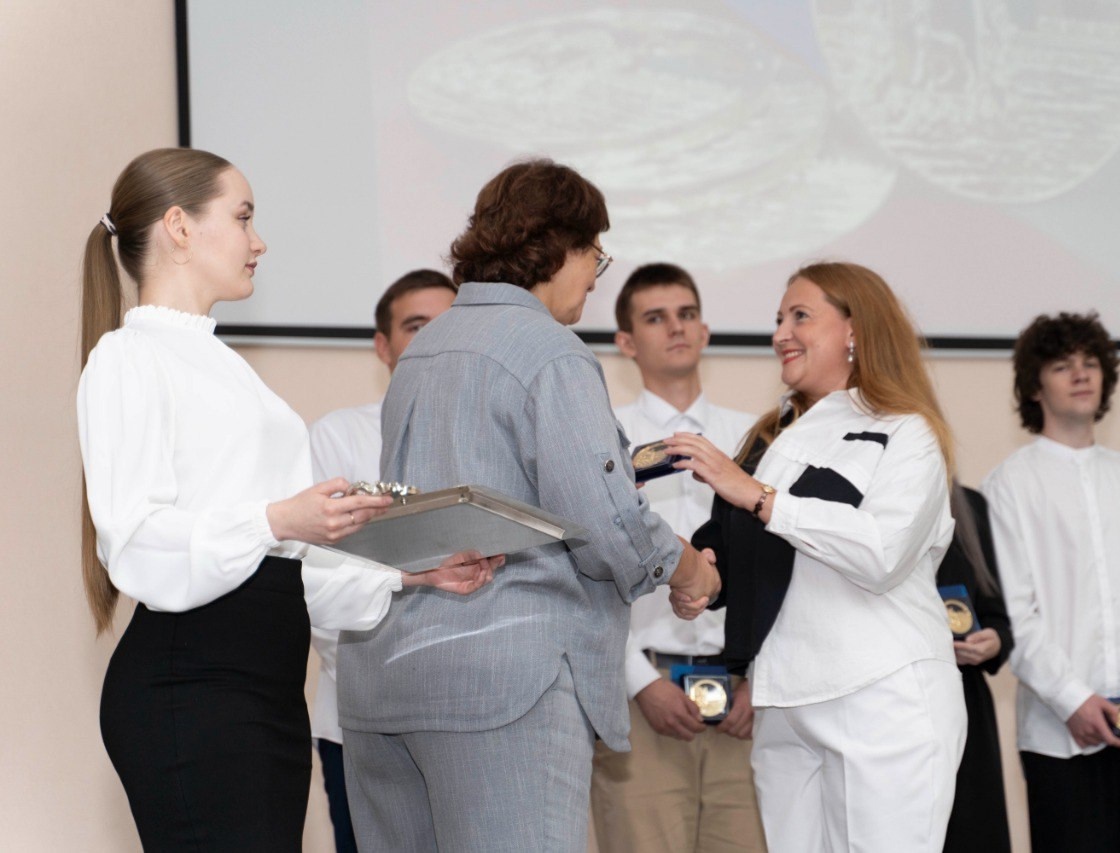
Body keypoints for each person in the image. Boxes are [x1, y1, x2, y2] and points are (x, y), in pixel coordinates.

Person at [76, 148, 497, 852]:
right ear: (179, 227)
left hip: (264, 688)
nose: (259, 241)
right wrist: (279, 517)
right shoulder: (128, 357)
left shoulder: (228, 369)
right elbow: (137, 543)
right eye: (243, 217)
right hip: (193, 687)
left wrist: (411, 575)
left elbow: (287, 566)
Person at [338, 159, 722, 852]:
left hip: (390, 678)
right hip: (505, 684)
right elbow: (604, 521)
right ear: (558, 246)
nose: (595, 276)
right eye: (594, 253)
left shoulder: (425, 350)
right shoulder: (550, 351)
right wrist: (690, 569)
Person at [670, 261, 966, 852]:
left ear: (856, 328)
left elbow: (880, 552)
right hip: (782, 702)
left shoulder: (906, 432)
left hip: (883, 695)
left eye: (800, 316)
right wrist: (698, 578)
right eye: (779, 319)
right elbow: (736, 553)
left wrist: (757, 495)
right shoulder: (769, 439)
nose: (781, 333)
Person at [983, 312, 1120, 853]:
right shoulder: (1009, 485)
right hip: (1060, 735)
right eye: (1062, 366)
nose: (1081, 374)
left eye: (1090, 363)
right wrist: (1073, 699)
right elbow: (1018, 616)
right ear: (1035, 386)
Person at [590, 263, 766, 852]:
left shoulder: (754, 437)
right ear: (625, 341)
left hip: (745, 701)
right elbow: (584, 571)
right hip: (642, 696)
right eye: (656, 317)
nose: (676, 327)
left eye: (687, 314)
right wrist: (639, 683)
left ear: (706, 330)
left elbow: (777, 571)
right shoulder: (604, 438)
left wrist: (759, 678)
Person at [307, 269, 457, 853]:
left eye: (447, 325)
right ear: (383, 345)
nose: (432, 339)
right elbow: (318, 574)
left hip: (473, 716)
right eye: (415, 326)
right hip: (361, 721)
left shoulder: (498, 434)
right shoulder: (339, 436)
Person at [936, 485, 1013, 853]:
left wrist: (995, 640)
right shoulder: (871, 499)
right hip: (895, 703)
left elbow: (996, 613)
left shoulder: (969, 505)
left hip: (966, 703)